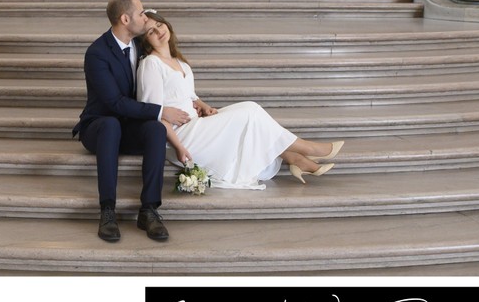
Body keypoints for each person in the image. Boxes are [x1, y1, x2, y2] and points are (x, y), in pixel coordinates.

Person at [137, 11, 344, 189]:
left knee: (248, 111)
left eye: (159, 24)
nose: (158, 31)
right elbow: (152, 112)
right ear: (146, 41)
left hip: (197, 125)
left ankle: (295, 158)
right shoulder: (150, 65)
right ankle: (306, 149)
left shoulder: (179, 61)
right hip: (180, 137)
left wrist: (205, 107)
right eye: (151, 32)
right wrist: (179, 148)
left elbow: (189, 96)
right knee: (250, 112)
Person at [73, 0, 191, 242]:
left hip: (129, 127)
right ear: (125, 19)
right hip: (99, 126)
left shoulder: (139, 45)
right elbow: (114, 103)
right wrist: (161, 111)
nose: (146, 18)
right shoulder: (97, 53)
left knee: (157, 131)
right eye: (140, 14)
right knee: (110, 124)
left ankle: (149, 210)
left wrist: (195, 101)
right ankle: (107, 210)